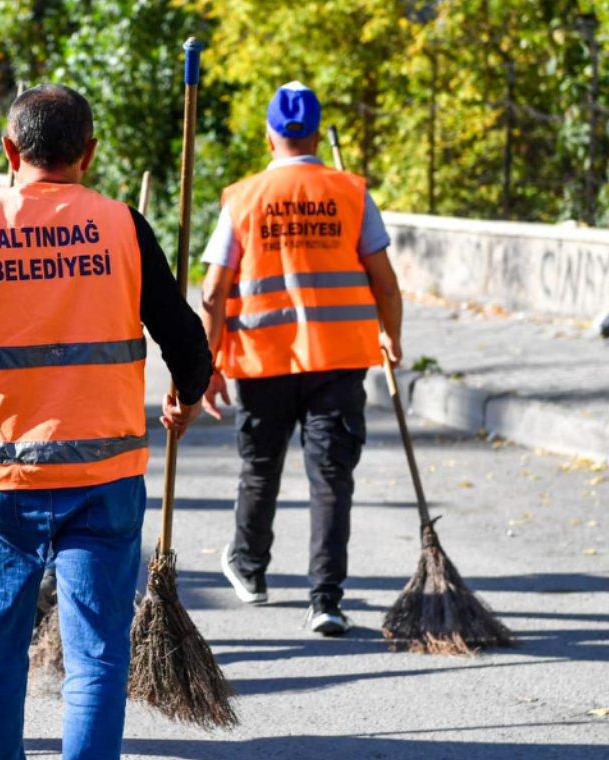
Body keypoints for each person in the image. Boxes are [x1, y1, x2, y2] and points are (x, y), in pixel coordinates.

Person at [0, 84, 212, 760]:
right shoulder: (123, 226)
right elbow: (187, 341)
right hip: (104, 474)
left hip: (1, 474)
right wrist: (187, 396)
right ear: (89, 153)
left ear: (9, 150)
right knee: (95, 656)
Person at [197, 81, 403, 635]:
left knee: (260, 468)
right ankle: (326, 599)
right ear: (315, 133)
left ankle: (249, 569)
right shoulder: (351, 191)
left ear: (270, 138)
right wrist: (392, 335)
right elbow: (384, 282)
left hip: (262, 361)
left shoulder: (243, 199)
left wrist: (209, 363)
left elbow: (214, 293)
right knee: (331, 478)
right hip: (338, 361)